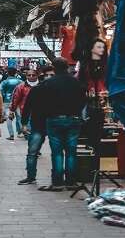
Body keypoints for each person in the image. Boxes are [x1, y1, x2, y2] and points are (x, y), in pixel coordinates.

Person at [35, 58, 87, 192]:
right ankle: (71, 182)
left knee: (57, 152)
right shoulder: (76, 82)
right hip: (73, 119)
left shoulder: (49, 83)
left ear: (55, 68)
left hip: (54, 119)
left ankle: (57, 183)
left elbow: (42, 102)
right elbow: (83, 100)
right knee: (71, 152)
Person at [17, 66, 56, 185]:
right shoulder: (36, 89)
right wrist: (24, 124)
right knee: (32, 152)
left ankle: (57, 178)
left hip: (53, 123)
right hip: (38, 123)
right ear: (43, 75)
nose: (49, 77)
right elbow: (27, 107)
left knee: (56, 152)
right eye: (48, 75)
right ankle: (30, 176)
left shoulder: (56, 89)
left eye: (52, 75)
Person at [9, 68, 39, 139]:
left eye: (33, 75)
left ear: (37, 75)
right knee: (28, 129)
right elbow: (15, 99)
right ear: (26, 76)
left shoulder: (42, 85)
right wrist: (12, 110)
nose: (31, 76)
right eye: (29, 75)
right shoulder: (21, 87)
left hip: (39, 111)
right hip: (25, 110)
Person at [0, 68, 23, 140]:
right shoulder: (20, 82)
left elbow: (1, 92)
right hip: (18, 101)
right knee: (19, 117)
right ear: (15, 73)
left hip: (7, 101)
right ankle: (23, 132)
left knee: (9, 118)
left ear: (7, 73)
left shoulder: (4, 82)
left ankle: (11, 135)